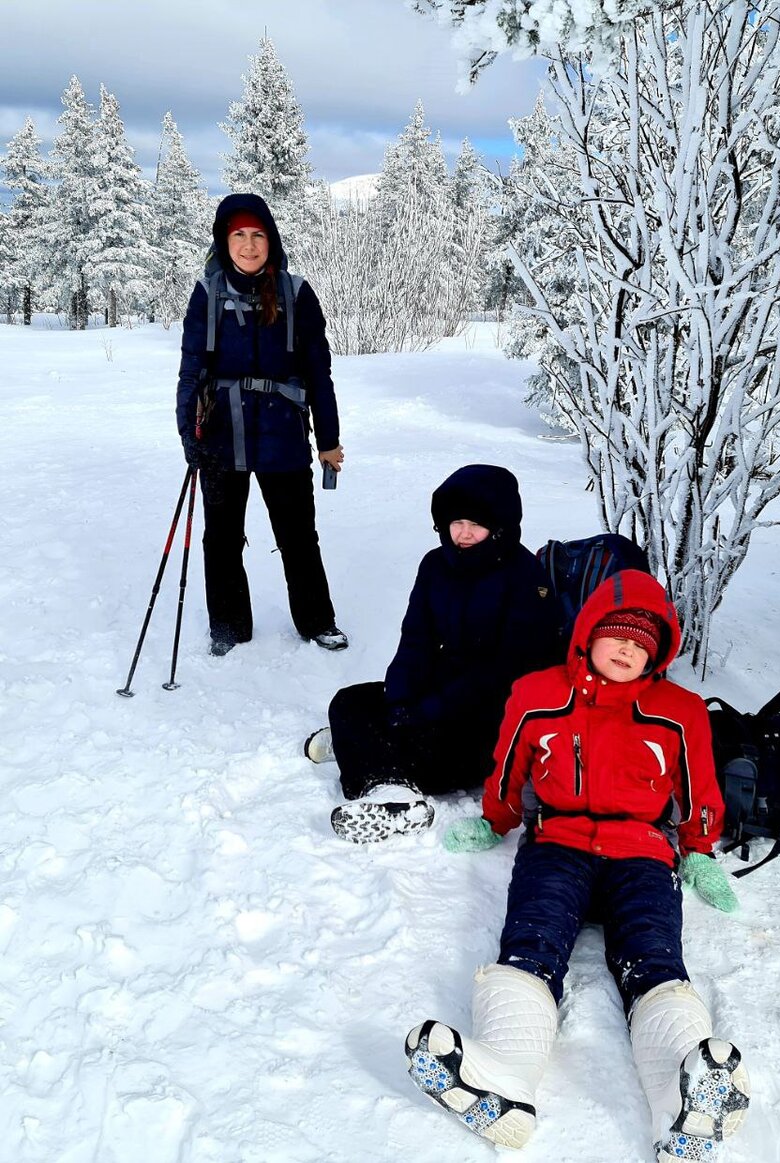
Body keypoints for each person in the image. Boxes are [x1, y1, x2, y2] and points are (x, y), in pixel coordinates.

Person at [404, 569, 750, 1159]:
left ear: (657, 654)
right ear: (587, 635)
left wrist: (697, 850)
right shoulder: (537, 694)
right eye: (617, 634)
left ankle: (686, 1103)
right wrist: (495, 820)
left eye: (642, 644)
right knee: (532, 938)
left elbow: (700, 790)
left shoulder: (679, 710)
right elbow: (509, 764)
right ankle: (505, 1080)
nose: (627, 648)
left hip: (642, 848)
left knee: (653, 952)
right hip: (557, 842)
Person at [304, 464, 559, 843]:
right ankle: (363, 746)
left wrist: (425, 711)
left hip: (493, 713)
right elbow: (416, 638)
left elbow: (504, 671)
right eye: (457, 522)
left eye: (477, 523)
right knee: (349, 702)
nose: (465, 533)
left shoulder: (525, 578)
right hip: (442, 686)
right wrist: (399, 697)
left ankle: (393, 792)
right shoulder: (436, 565)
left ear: (500, 525)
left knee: (425, 743)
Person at [176, 192, 346, 657]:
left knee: (297, 533)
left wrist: (328, 440)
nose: (249, 245)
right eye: (238, 236)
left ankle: (317, 621)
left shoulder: (296, 294)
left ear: (270, 240)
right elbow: (192, 370)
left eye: (258, 235)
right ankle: (228, 625)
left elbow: (318, 373)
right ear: (223, 241)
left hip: (283, 431)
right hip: (220, 432)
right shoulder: (207, 295)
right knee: (222, 536)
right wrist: (187, 435)